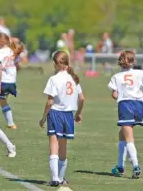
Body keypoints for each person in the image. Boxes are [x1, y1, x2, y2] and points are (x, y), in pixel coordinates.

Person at [39, 51, 85, 187]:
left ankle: (55, 178)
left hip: (55, 113)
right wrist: (79, 113)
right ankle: (61, 177)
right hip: (68, 115)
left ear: (55, 64)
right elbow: (82, 98)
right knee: (63, 147)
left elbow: (50, 102)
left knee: (54, 145)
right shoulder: (74, 79)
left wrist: (43, 118)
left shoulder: (54, 79)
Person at [108, 50, 143, 179]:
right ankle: (120, 166)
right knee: (122, 134)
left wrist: (119, 97)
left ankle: (135, 166)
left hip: (126, 105)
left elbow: (114, 94)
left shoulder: (116, 77)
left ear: (120, 61)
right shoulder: (140, 73)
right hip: (139, 105)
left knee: (129, 137)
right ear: (133, 62)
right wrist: (141, 97)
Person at [0, 33, 24, 129]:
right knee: (3, 101)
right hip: (11, 81)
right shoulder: (12, 52)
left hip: (3, 80)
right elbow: (17, 65)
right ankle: (11, 123)